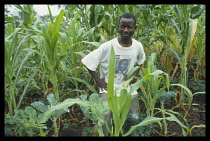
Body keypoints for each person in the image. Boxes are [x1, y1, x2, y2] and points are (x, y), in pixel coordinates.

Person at [81, 13, 146, 136]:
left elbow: (140, 61)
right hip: (108, 89)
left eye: (129, 27)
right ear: (118, 27)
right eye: (123, 26)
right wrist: (99, 81)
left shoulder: (138, 46)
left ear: (134, 28)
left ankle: (122, 132)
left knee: (133, 118)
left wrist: (134, 75)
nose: (126, 30)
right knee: (105, 118)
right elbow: (87, 62)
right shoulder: (108, 46)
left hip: (128, 89)